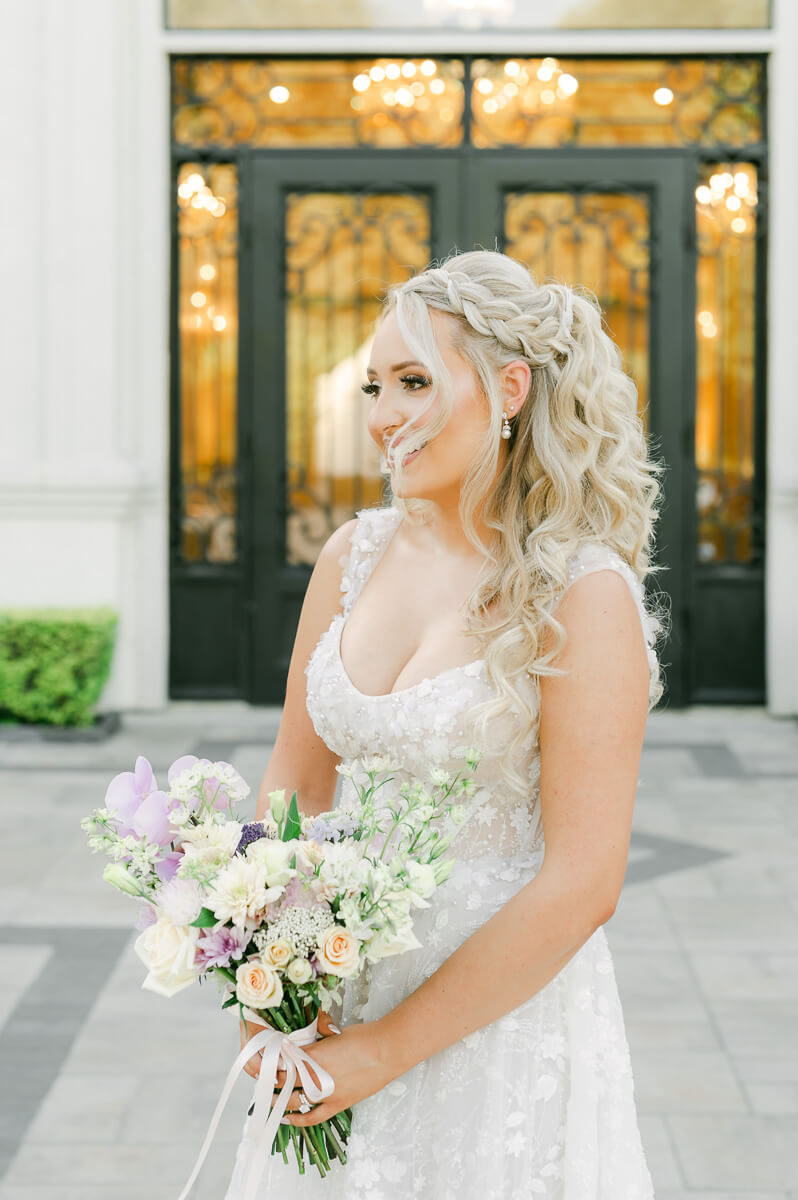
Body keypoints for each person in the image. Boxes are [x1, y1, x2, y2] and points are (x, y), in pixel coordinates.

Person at [224, 249, 670, 1199]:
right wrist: (266, 983)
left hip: (499, 1026)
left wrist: (385, 1051)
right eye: (376, 384)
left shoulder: (583, 594)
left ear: (510, 388)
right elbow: (294, 789)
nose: (384, 413)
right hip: (339, 997)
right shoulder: (352, 554)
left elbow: (584, 882)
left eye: (416, 382)